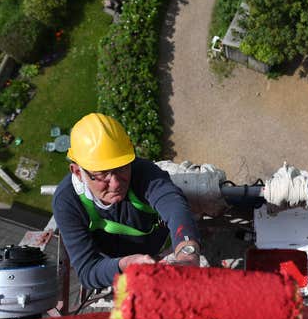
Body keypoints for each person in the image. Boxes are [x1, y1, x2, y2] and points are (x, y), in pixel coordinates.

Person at [52, 113, 201, 289]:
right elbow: (88, 270)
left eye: (121, 169)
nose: (115, 184)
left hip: (166, 250)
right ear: (77, 172)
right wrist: (125, 264)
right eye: (102, 175)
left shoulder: (141, 171)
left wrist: (186, 253)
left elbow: (174, 205)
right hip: (119, 267)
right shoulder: (67, 203)